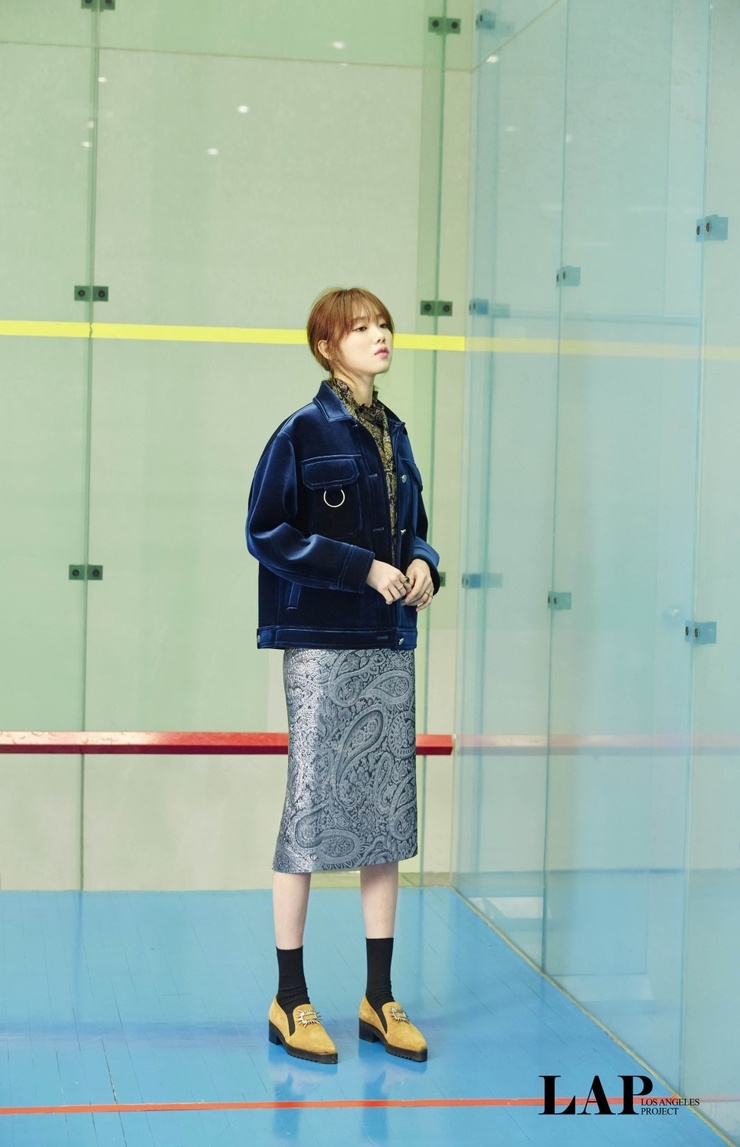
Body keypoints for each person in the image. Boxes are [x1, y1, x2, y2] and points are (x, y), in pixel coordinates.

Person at [246, 286, 440, 1065]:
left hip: (387, 644)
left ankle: (377, 998)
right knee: (309, 815)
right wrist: (360, 567)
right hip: (323, 647)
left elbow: (415, 526)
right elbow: (266, 530)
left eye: (383, 324)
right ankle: (290, 998)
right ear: (327, 346)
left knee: (385, 819)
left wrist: (424, 564)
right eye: (361, 327)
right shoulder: (299, 432)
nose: (380, 334)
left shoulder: (395, 432)